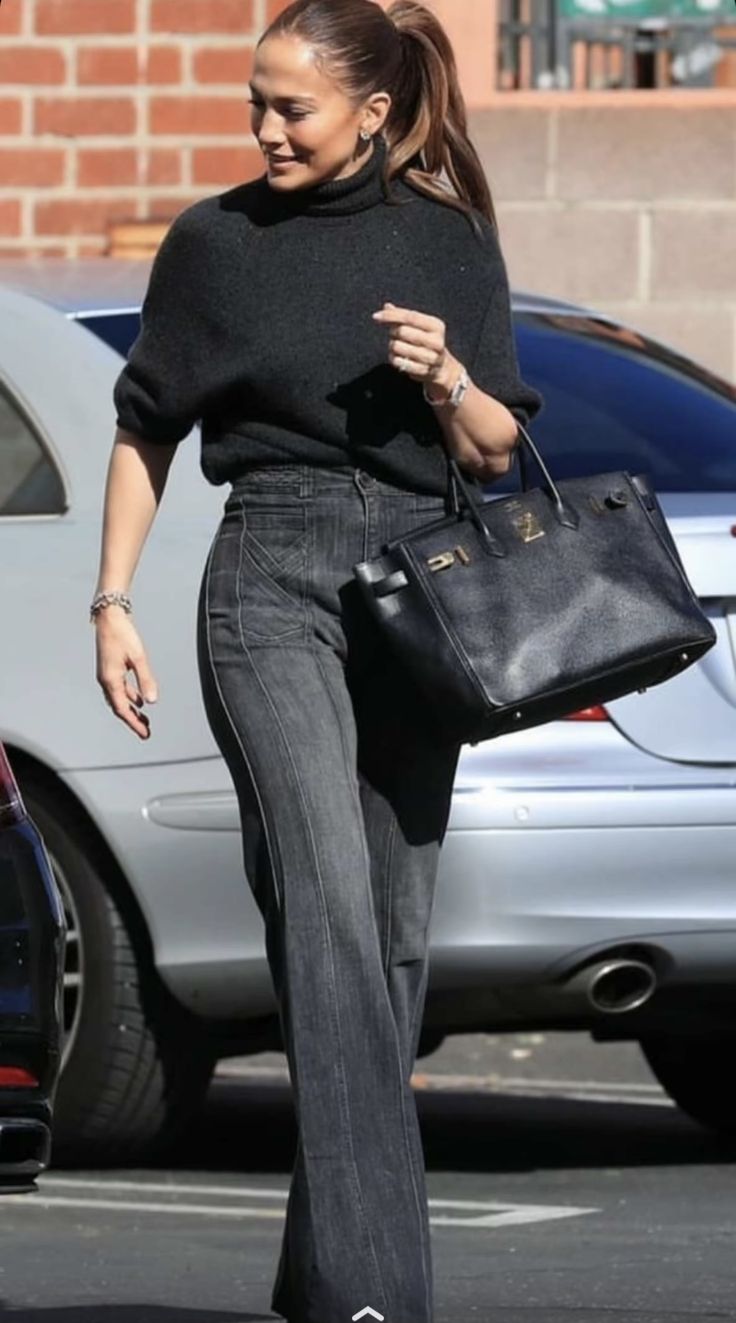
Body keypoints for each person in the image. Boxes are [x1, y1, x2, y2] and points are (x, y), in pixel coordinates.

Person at [92, 1, 543, 1319]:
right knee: (332, 912)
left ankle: (325, 1277)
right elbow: (144, 428)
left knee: (392, 941)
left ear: (375, 112)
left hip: (417, 593)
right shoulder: (216, 244)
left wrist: (449, 374)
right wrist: (112, 602)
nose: (265, 127)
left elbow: (493, 448)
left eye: (291, 106)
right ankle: (378, 1293)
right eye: (255, 102)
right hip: (268, 584)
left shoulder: (449, 242)